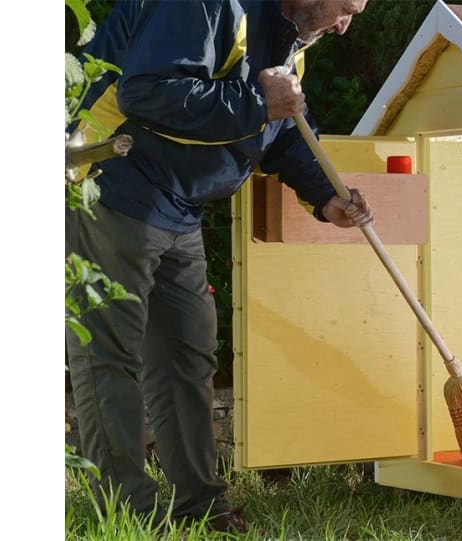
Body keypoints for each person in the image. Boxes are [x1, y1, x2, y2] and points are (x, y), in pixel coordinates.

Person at [66, 0, 370, 533]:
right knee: (110, 355)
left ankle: (201, 509)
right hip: (113, 181)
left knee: (187, 356)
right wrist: (258, 101)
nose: (344, 26)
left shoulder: (288, 40)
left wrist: (327, 198)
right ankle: (126, 512)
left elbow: (282, 133)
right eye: (344, 9)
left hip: (178, 206)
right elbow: (148, 90)